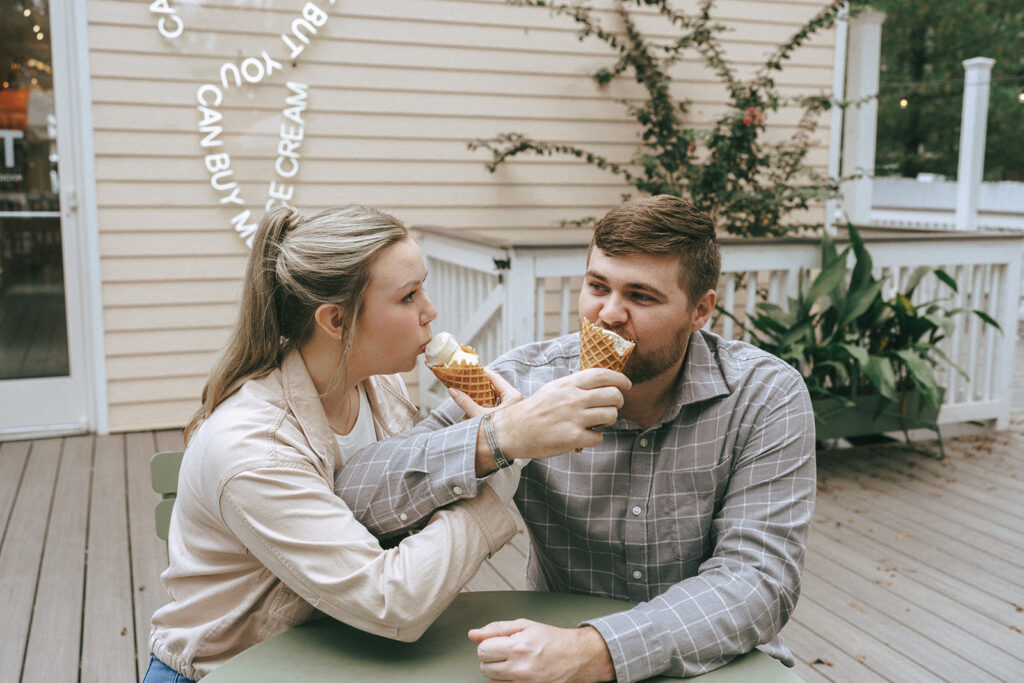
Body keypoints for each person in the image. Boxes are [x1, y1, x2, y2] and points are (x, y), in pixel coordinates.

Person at [335, 195, 817, 682]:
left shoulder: (764, 395)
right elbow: (356, 494)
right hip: (552, 653)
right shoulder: (527, 383)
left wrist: (598, 650)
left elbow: (758, 581)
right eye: (597, 286)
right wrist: (505, 435)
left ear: (700, 311)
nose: (608, 314)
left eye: (641, 297)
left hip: (710, 661)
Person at [143, 204, 630, 682]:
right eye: (408, 296)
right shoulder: (252, 450)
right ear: (336, 321)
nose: (430, 311)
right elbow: (392, 601)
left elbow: (403, 510)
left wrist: (492, 436)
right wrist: (505, 450)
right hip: (233, 666)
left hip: (345, 647)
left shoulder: (381, 389)